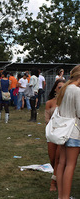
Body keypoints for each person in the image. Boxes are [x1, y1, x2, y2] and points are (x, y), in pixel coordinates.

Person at [56, 65, 80, 199]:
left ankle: (61, 196)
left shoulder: (65, 89)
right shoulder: (76, 90)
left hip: (63, 131)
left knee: (62, 163)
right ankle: (65, 197)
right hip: (74, 132)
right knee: (70, 165)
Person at [45, 79, 65, 192]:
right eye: (59, 87)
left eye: (63, 87)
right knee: (52, 158)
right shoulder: (49, 103)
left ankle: (53, 182)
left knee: (58, 158)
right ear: (55, 89)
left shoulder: (68, 102)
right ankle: (59, 174)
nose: (61, 89)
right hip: (52, 133)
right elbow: (47, 120)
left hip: (64, 133)